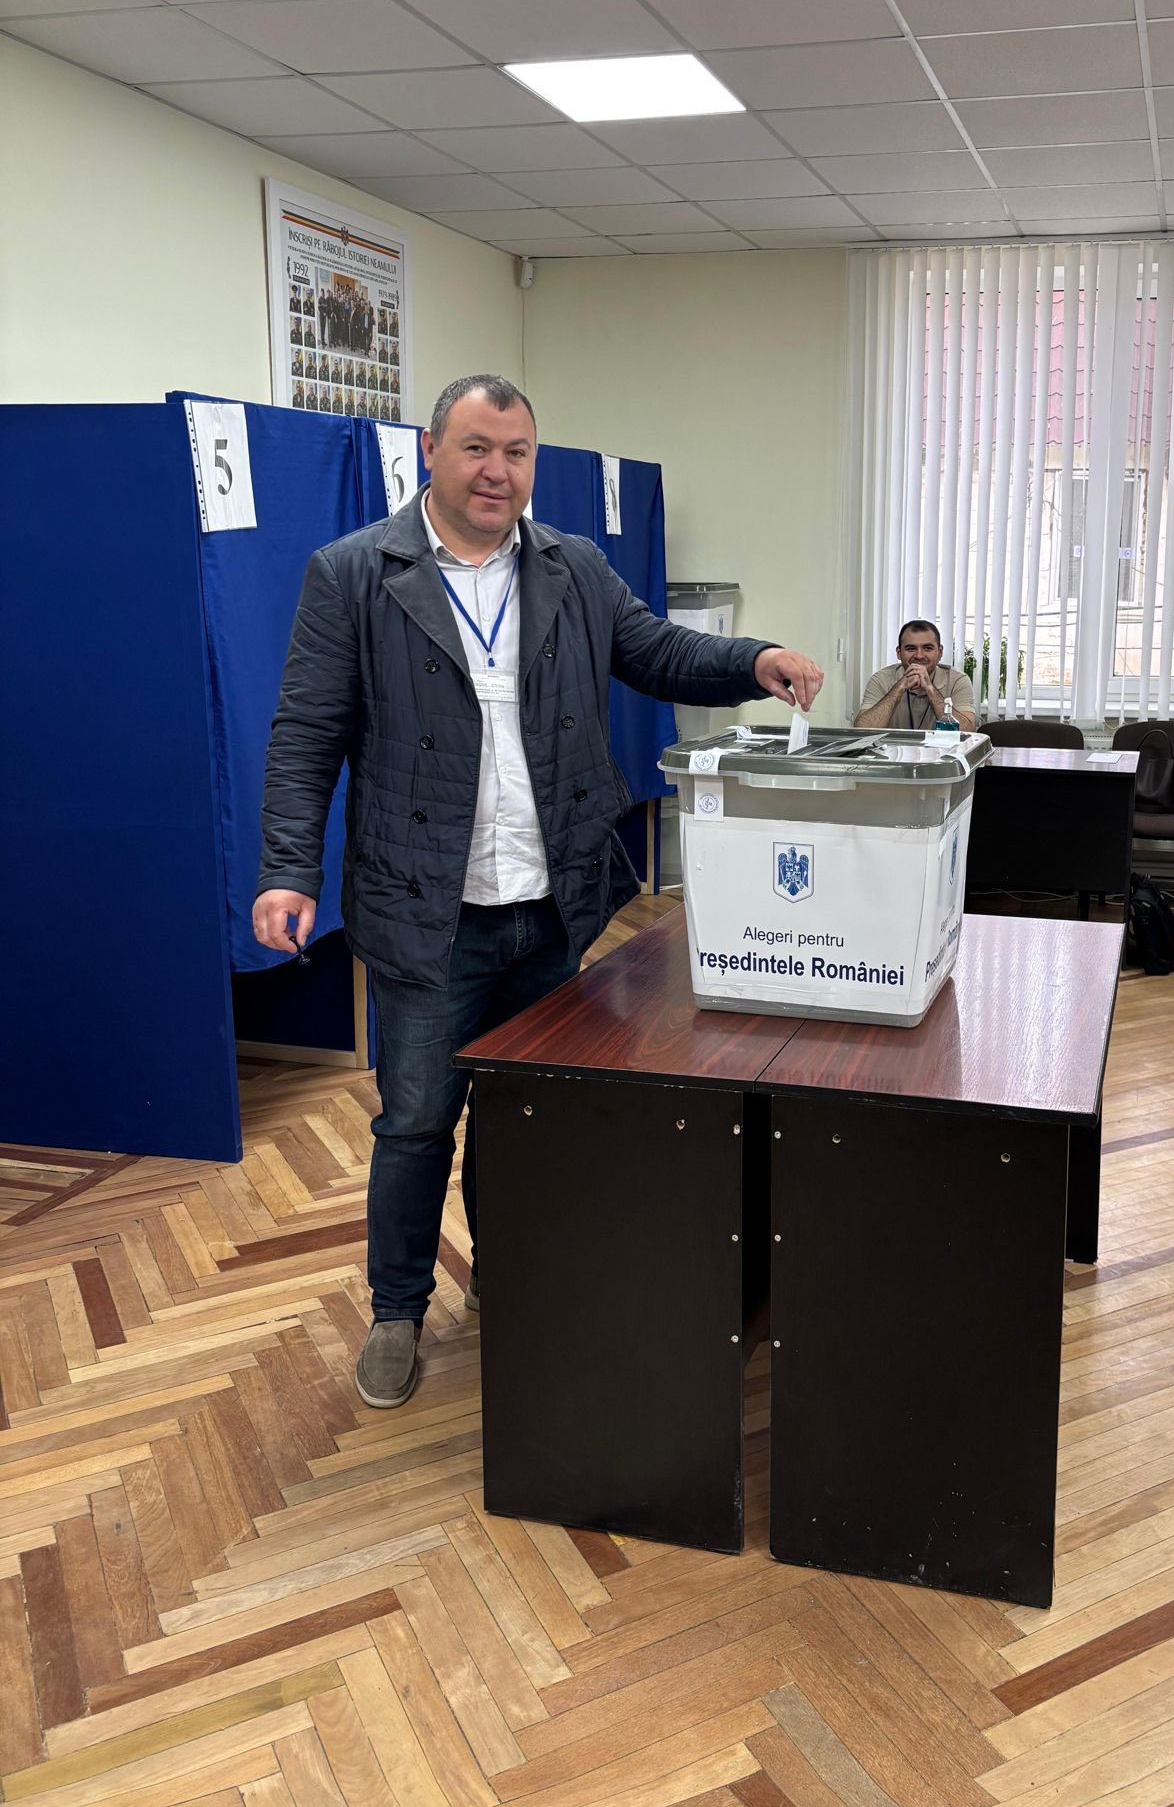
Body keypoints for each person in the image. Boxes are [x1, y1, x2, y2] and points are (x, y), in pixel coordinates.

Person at [253, 373, 822, 1409]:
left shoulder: (571, 566)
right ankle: (396, 1310)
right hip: (425, 911)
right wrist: (289, 869)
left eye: (515, 452)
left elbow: (656, 649)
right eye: (476, 447)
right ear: (431, 451)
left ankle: (508, 1273)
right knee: (416, 1122)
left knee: (526, 1116)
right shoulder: (354, 574)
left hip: (549, 906)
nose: (497, 471)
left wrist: (754, 659)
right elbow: (305, 735)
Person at [854, 619, 976, 733]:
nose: (919, 656)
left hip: (942, 749)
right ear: (899, 653)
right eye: (911, 648)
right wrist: (899, 688)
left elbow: (967, 732)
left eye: (927, 648)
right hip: (893, 749)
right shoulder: (881, 679)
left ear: (940, 652)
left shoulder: (958, 680)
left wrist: (930, 689)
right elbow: (862, 730)